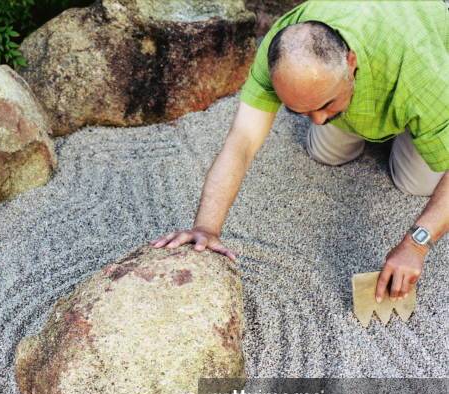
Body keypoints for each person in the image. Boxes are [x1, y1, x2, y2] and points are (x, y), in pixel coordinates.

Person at [151, 0, 448, 303]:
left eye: (324, 105)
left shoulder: (420, 75)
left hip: (415, 82)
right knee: (326, 153)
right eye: (300, 111)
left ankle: (410, 127)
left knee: (417, 183)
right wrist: (206, 227)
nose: (317, 120)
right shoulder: (280, 51)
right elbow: (242, 140)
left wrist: (416, 244)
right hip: (353, 86)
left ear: (351, 62)